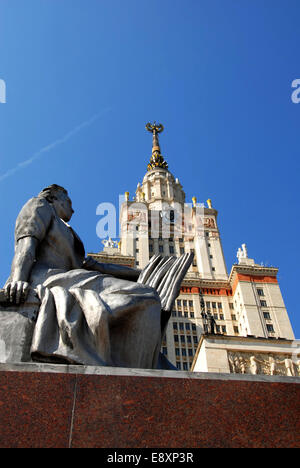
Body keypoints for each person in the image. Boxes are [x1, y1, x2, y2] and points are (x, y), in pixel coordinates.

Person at [4, 184, 193, 369]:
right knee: (147, 297)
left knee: (148, 295)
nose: (74, 208)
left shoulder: (67, 231)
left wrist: (144, 273)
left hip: (73, 278)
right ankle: (135, 373)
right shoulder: (40, 205)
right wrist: (18, 279)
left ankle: (142, 368)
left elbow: (96, 267)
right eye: (68, 200)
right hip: (49, 278)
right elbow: (26, 244)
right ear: (54, 197)